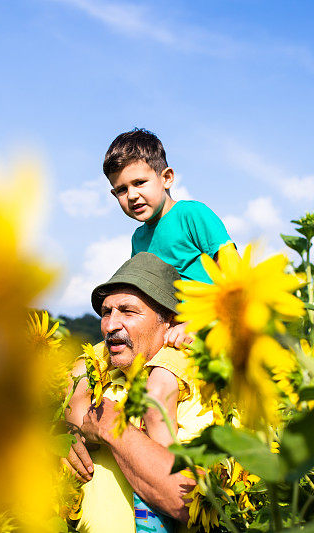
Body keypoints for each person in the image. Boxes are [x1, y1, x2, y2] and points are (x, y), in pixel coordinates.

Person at [64, 253, 213, 533]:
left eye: (127, 311)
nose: (110, 325)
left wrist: (112, 428)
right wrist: (64, 442)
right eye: (106, 312)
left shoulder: (195, 386)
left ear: (169, 321)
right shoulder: (96, 376)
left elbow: (190, 502)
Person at [102, 128, 233, 348]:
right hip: (165, 333)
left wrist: (194, 322)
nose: (132, 195)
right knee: (92, 363)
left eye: (140, 182)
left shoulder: (191, 215)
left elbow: (233, 275)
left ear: (167, 178)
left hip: (208, 327)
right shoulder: (138, 239)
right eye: (122, 190)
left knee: (160, 380)